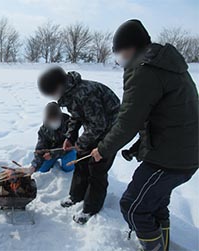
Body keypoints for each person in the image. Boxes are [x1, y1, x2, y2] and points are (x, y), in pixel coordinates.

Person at [90, 19, 198, 251]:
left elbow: (128, 121)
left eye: (120, 52)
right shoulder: (165, 63)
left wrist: (102, 149)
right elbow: (166, 116)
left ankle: (153, 248)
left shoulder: (144, 69)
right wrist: (140, 146)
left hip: (171, 158)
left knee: (133, 206)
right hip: (184, 152)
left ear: (131, 47)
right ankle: (163, 246)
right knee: (155, 205)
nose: (121, 59)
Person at [37, 66, 120, 224]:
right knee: (81, 160)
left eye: (50, 92)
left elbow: (99, 124)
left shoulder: (85, 93)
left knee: (97, 167)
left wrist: (80, 142)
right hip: (96, 128)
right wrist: (71, 137)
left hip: (112, 131)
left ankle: (91, 208)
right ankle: (76, 196)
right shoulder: (70, 93)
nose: (51, 96)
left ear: (59, 86)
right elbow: (76, 116)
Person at [30, 102, 76, 173]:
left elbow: (72, 144)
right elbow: (40, 148)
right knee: (42, 168)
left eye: (55, 119)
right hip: (51, 153)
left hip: (66, 151)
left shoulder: (69, 124)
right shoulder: (44, 130)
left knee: (68, 165)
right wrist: (34, 165)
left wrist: (53, 154)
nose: (53, 121)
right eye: (51, 119)